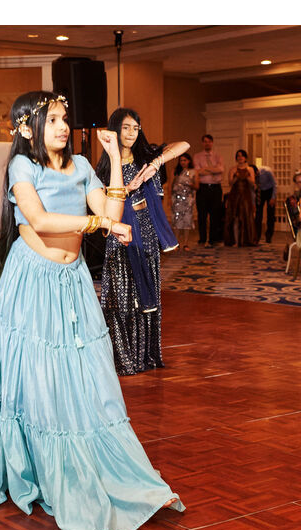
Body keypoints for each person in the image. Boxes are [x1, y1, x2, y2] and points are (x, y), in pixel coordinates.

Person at [0, 92, 183, 530]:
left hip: (74, 283)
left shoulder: (82, 167)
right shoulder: (24, 167)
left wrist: (114, 159)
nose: (63, 127)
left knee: (85, 381)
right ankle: (38, 470)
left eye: (66, 119)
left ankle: (104, 471)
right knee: (36, 379)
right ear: (28, 129)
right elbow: (40, 220)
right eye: (54, 120)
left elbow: (114, 209)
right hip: (33, 283)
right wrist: (98, 225)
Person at [95, 107, 187, 376]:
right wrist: (127, 188)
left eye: (136, 128)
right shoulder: (105, 167)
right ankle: (124, 359)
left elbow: (183, 145)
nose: (132, 133)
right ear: (115, 129)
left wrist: (157, 164)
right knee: (121, 297)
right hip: (121, 232)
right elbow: (102, 203)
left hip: (146, 231)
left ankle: (146, 356)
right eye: (126, 127)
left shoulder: (147, 157)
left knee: (147, 293)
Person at [193, 134, 225, 247]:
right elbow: (197, 171)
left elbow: (221, 169)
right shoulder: (197, 156)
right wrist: (213, 170)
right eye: (205, 141)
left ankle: (213, 239)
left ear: (212, 143)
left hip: (216, 188)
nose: (207, 143)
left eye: (209, 141)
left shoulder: (218, 156)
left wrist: (205, 168)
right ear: (203, 143)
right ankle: (202, 239)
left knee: (215, 215)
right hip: (203, 188)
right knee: (202, 215)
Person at [225, 149, 259, 247]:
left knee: (246, 217)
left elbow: (253, 183)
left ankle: (245, 240)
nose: (240, 158)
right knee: (235, 218)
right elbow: (230, 183)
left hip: (246, 196)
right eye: (238, 156)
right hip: (235, 195)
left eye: (242, 156)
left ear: (245, 158)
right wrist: (236, 176)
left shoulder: (250, 169)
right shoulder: (233, 169)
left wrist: (246, 175)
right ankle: (235, 241)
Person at [171, 152, 198, 251]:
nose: (183, 162)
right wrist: (171, 199)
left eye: (185, 160)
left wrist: (190, 184)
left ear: (189, 161)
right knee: (176, 220)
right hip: (177, 198)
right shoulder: (175, 171)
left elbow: (197, 186)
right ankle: (176, 242)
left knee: (187, 221)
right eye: (181, 160)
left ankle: (186, 243)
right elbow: (171, 184)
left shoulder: (194, 172)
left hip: (188, 198)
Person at [255, 163, 277, 243]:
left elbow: (275, 184)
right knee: (258, 215)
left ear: (257, 172)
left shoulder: (267, 171)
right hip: (260, 191)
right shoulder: (251, 174)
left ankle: (269, 236)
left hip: (270, 190)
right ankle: (257, 236)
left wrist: (273, 197)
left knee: (270, 215)